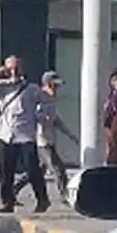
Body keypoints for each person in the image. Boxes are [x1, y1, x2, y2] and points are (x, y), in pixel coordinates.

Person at [0, 53, 49, 216]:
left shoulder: (31, 88)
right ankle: (7, 201)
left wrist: (39, 117)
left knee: (32, 169)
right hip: (5, 133)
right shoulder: (1, 87)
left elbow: (46, 102)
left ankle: (42, 199)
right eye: (10, 68)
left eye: (16, 68)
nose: (14, 72)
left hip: (25, 134)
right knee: (5, 170)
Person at [37, 69, 74, 202]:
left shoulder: (51, 99)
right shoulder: (40, 97)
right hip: (42, 140)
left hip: (48, 139)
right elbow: (36, 116)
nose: (57, 89)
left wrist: (69, 134)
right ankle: (64, 195)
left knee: (38, 171)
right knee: (58, 169)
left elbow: (56, 120)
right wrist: (43, 123)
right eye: (54, 85)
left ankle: (13, 189)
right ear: (47, 84)